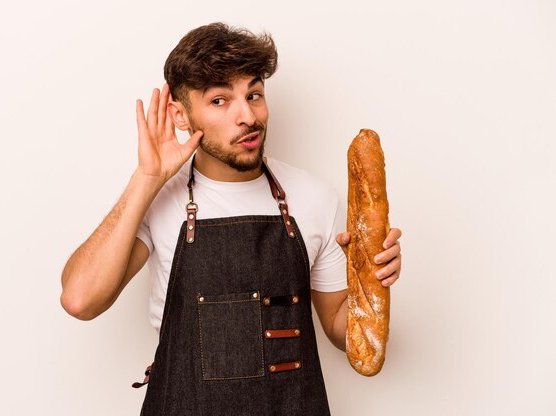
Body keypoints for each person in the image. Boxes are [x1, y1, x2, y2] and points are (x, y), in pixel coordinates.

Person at [60, 22, 402, 415]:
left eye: (253, 94)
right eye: (220, 101)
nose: (248, 116)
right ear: (181, 114)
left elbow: (341, 330)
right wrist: (146, 179)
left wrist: (372, 282)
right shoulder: (158, 201)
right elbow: (79, 300)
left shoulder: (313, 197)